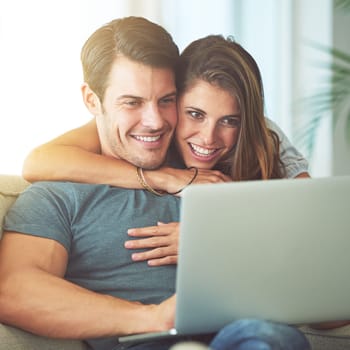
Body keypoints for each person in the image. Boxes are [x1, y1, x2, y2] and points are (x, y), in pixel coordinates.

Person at [0, 17, 310, 350]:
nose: (155, 121)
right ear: (92, 100)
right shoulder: (57, 195)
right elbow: (15, 289)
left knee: (271, 338)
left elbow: (323, 293)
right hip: (154, 343)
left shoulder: (217, 169)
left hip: (244, 337)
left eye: (165, 100)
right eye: (132, 102)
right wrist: (151, 318)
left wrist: (221, 242)